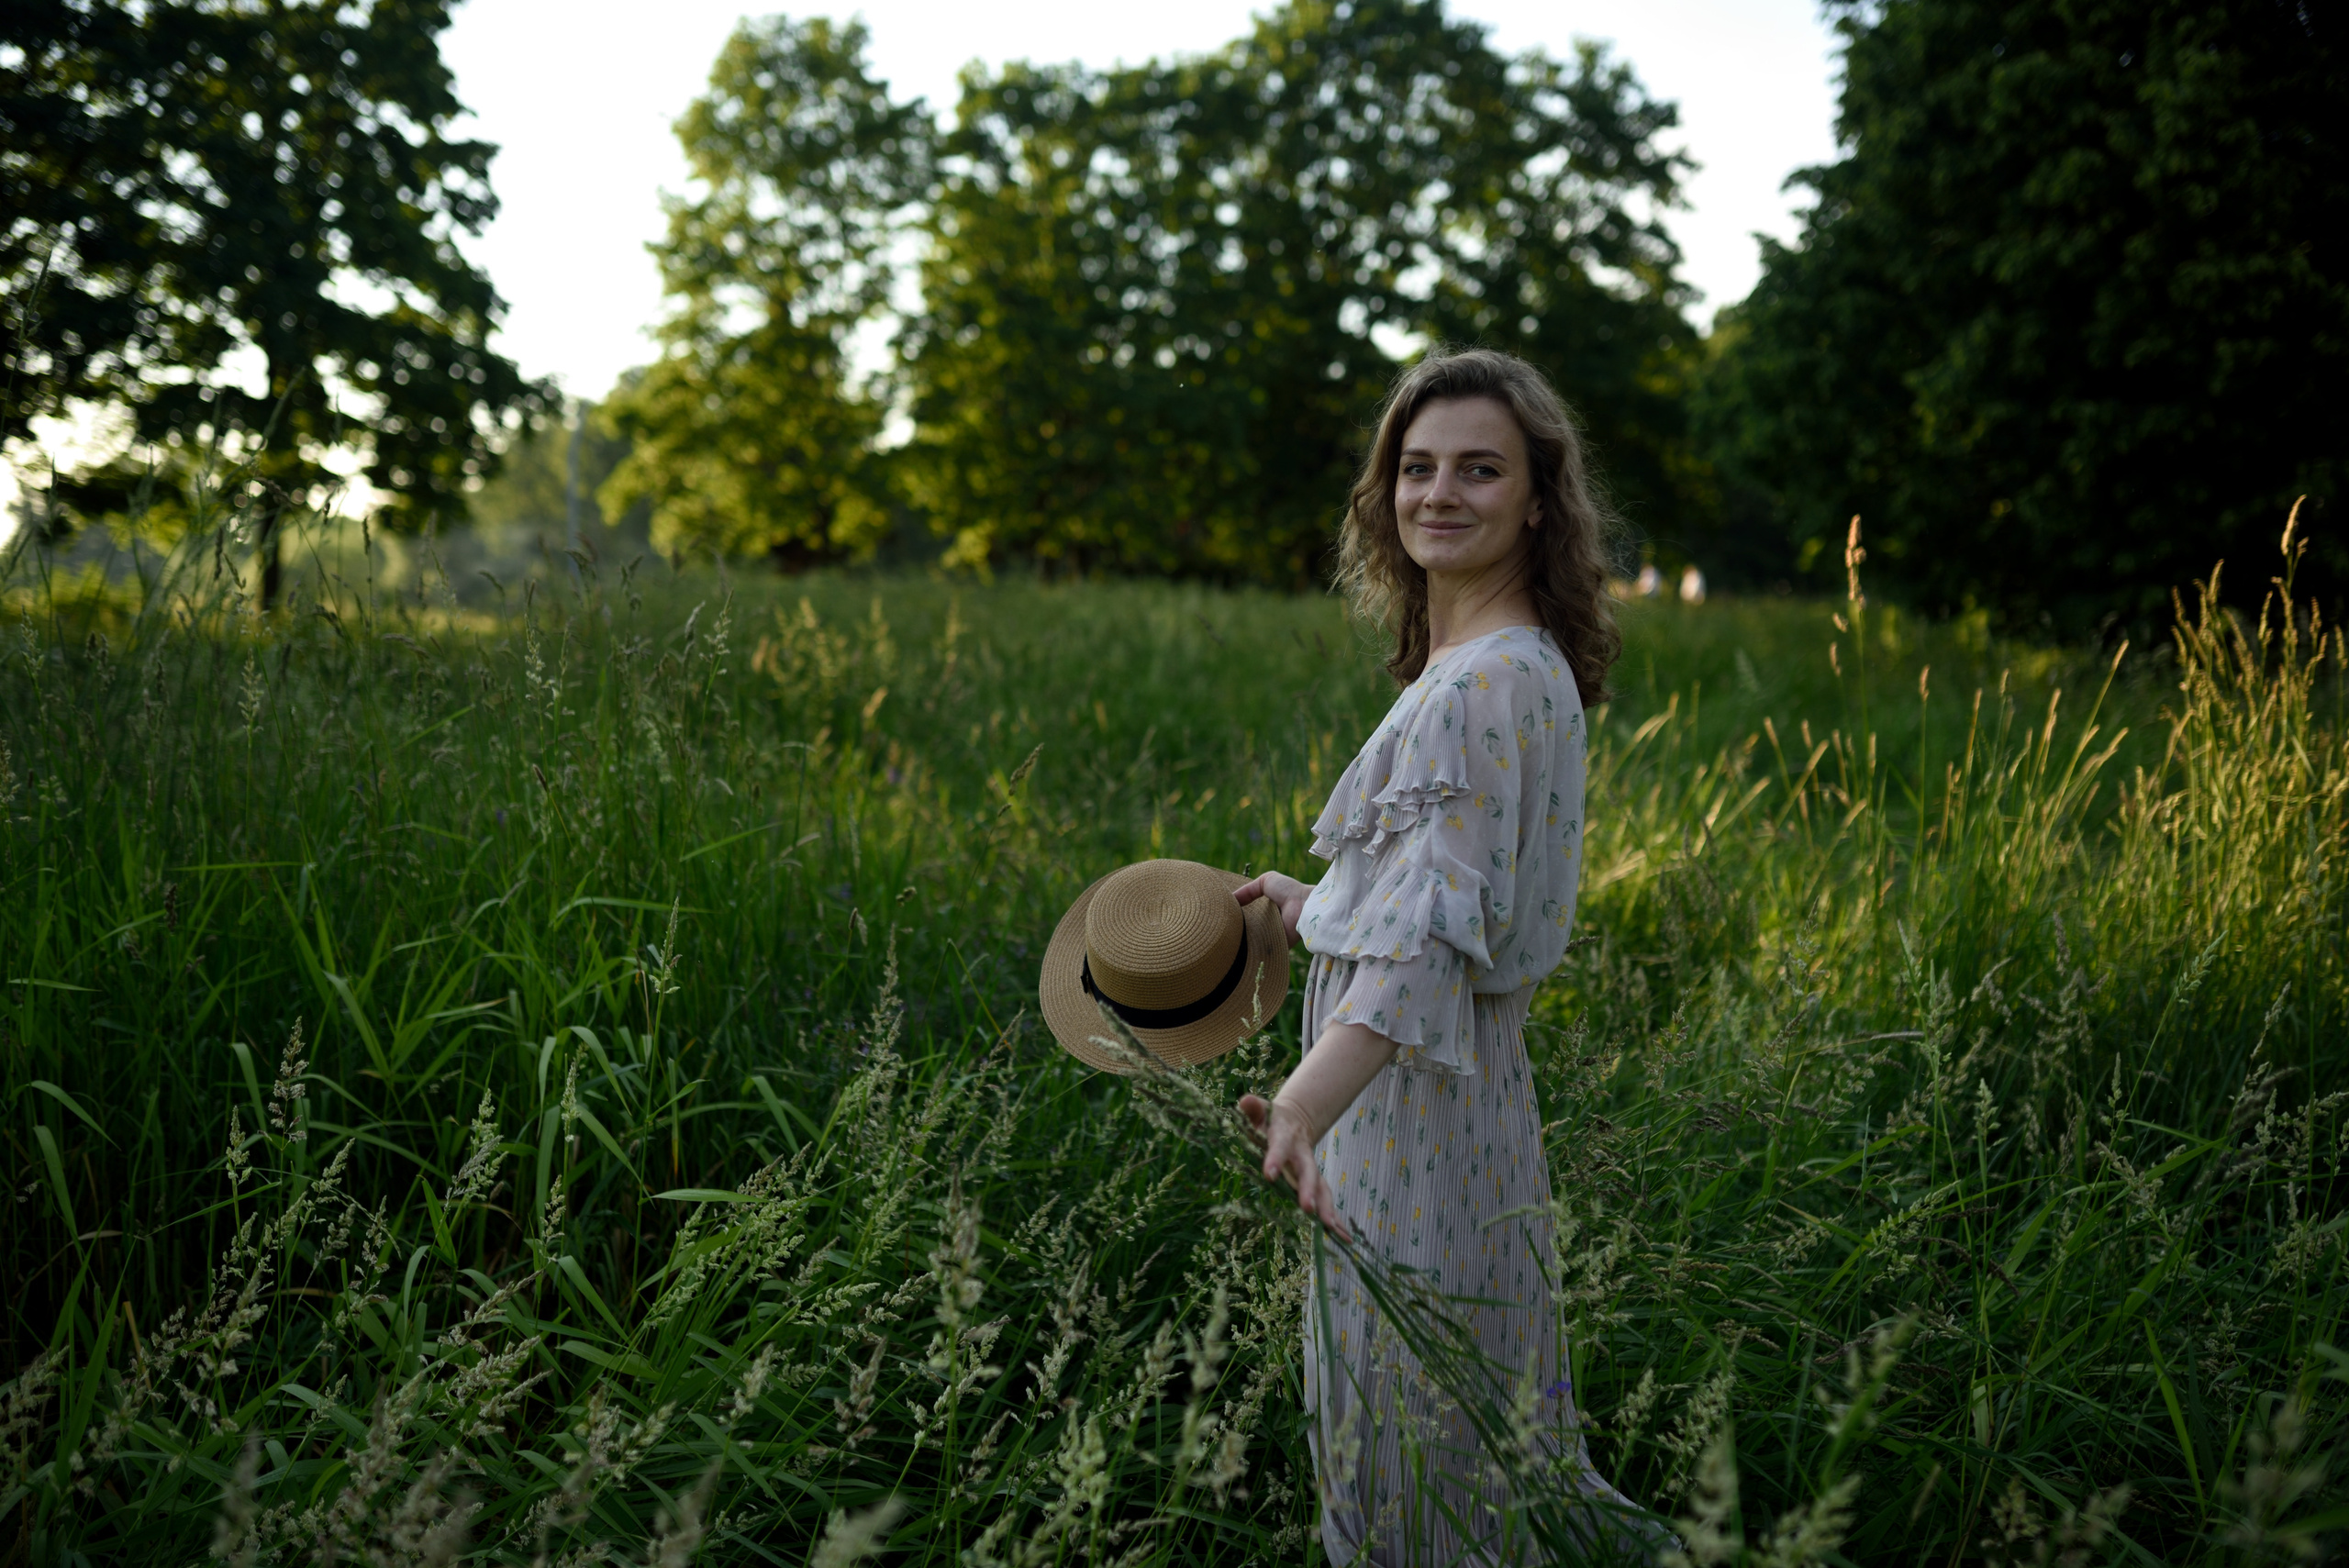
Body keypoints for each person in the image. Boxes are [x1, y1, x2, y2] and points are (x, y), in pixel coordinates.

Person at [1234, 348, 1659, 1564]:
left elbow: (1428, 947)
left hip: (1404, 1121)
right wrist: (1313, 904)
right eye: (1417, 468)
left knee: (1411, 1455)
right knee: (1471, 1431)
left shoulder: (1479, 685)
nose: (1438, 493)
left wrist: (1304, 1105)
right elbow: (1448, 918)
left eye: (1480, 468)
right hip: (1459, 1110)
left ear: (1539, 496)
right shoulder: (1508, 667)